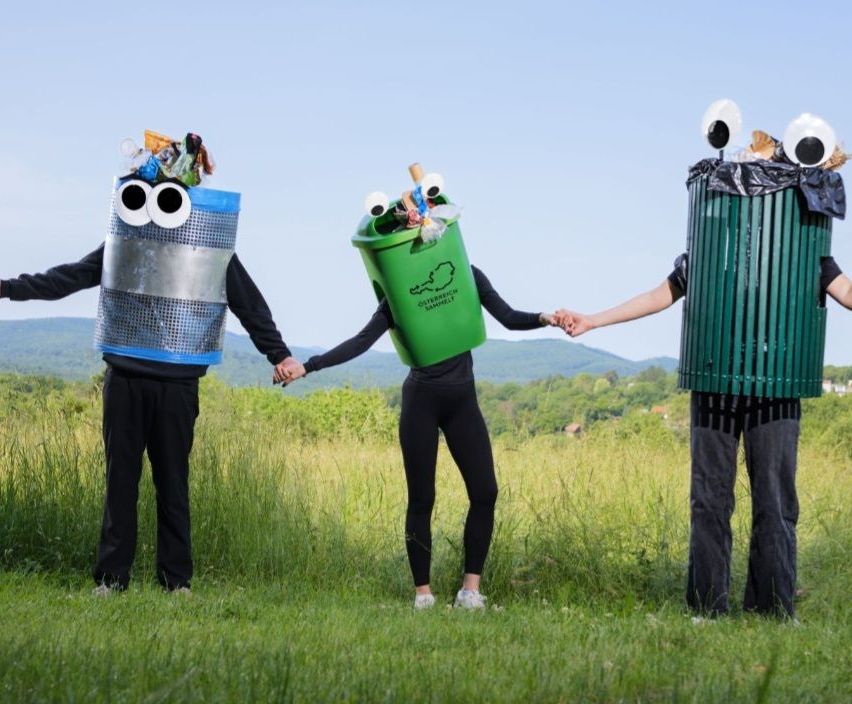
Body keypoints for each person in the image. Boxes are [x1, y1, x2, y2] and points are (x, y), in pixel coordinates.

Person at [0, 131, 301, 594]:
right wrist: (7, 288)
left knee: (173, 484)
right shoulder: (125, 242)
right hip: (125, 376)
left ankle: (176, 581)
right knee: (120, 481)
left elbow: (249, 303)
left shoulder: (208, 245)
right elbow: (69, 277)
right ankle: (111, 579)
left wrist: (277, 353)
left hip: (179, 383)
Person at [555, 254, 852, 617]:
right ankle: (708, 608)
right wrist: (593, 321)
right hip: (714, 384)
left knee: (775, 500)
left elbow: (847, 291)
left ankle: (772, 609)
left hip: (777, 385)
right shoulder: (714, 251)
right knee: (709, 498)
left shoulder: (803, 250)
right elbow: (660, 295)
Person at [278, 266, 557, 609]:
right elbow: (362, 341)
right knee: (422, 498)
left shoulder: (464, 273)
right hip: (421, 400)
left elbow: (509, 317)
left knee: (485, 491)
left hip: (462, 401)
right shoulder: (400, 285)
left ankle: (470, 592)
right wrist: (309, 366)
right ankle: (423, 594)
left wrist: (547, 317)